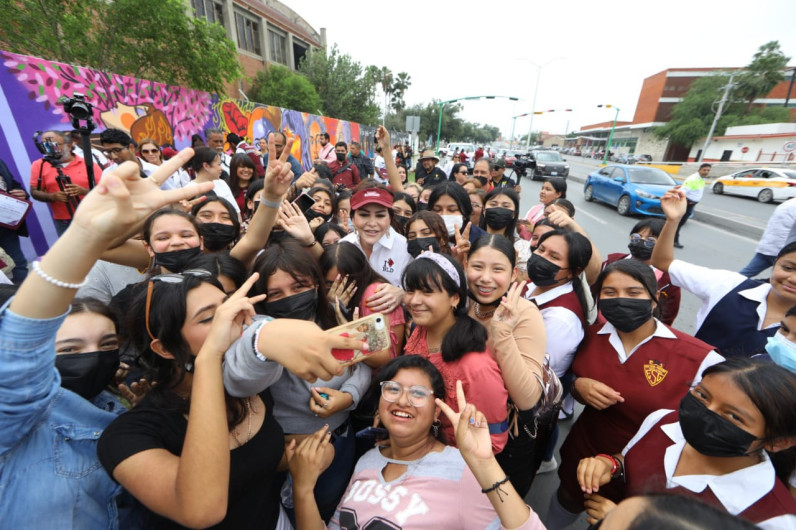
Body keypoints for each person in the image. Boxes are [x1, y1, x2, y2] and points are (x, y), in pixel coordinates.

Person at [0, 149, 214, 529]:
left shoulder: (121, 410)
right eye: (69, 349)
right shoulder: (13, 422)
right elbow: (18, 354)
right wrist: (84, 236)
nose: (93, 357)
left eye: (107, 346)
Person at [547, 259, 723, 529]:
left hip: (651, 467)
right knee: (568, 498)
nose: (621, 300)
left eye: (633, 293)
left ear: (653, 300)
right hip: (586, 449)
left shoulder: (699, 358)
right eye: (610, 293)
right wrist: (577, 386)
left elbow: (713, 425)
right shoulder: (590, 335)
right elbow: (565, 377)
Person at [286, 356, 544, 529]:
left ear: (436, 412)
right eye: (393, 389)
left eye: (418, 393)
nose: (402, 400)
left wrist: (484, 463)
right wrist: (303, 488)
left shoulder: (461, 469)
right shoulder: (368, 461)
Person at [577, 358, 796, 529]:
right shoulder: (665, 421)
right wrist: (609, 465)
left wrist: (628, 523)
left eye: (734, 417)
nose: (705, 414)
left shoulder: (775, 519)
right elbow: (629, 459)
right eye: (701, 394)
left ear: (778, 442)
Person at [652, 187, 796, 357]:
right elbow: (663, 261)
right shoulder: (728, 285)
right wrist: (673, 220)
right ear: (774, 264)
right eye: (787, 268)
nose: (793, 279)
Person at [465, 235, 553, 495]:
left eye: (498, 269)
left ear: (514, 273)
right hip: (462, 426)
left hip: (506, 435)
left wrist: (502, 332)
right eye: (477, 267)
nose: (485, 278)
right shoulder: (462, 302)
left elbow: (527, 398)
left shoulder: (525, 313)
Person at [403, 252, 509, 453]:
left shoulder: (476, 367)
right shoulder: (420, 330)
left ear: (454, 298)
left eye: (427, 292)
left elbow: (493, 440)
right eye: (410, 290)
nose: (414, 301)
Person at [320, 241, 406, 362]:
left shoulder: (374, 296)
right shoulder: (322, 295)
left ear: (359, 276)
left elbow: (384, 359)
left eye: (346, 282)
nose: (338, 289)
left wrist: (349, 331)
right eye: (330, 284)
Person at [597, 218, 681, 326]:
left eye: (650, 241)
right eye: (637, 237)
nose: (641, 242)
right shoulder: (611, 262)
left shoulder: (669, 282)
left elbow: (667, 316)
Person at [340, 187, 411, 313]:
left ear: (390, 219)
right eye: (364, 215)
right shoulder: (343, 246)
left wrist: (402, 294)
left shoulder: (405, 249)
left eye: (380, 215)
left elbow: (420, 293)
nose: (372, 223)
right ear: (353, 219)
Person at [29, 130, 102, 235]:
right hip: (65, 221)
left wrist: (84, 191)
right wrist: (53, 197)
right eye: (45, 145)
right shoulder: (38, 165)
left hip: (94, 215)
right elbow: (35, 192)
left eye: (54, 144)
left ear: (68, 146)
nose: (49, 149)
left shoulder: (87, 162)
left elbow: (105, 189)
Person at [740, 197, 796, 277]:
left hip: (767, 246)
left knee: (746, 273)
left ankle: (730, 285)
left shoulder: (788, 203)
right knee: (784, 279)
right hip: (782, 251)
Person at [428, 181, 487, 246]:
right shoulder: (424, 238)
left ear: (464, 213)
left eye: (452, 210)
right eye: (437, 210)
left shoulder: (483, 241)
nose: (444, 215)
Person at [0, 158, 30, 282]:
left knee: (19, 265)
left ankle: (23, 299)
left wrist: (22, 193)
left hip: (6, 226)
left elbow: (12, 183)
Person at [190, 147, 240, 217]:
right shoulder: (189, 189)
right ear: (206, 166)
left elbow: (236, 212)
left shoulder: (222, 183)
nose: (221, 168)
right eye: (219, 164)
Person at [674, 162, 710, 249]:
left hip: (691, 204)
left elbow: (695, 191)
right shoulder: (693, 179)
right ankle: (674, 240)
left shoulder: (701, 179)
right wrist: (680, 204)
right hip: (686, 203)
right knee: (678, 223)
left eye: (708, 170)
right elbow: (683, 191)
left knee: (680, 223)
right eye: (704, 170)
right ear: (699, 170)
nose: (706, 172)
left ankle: (670, 239)